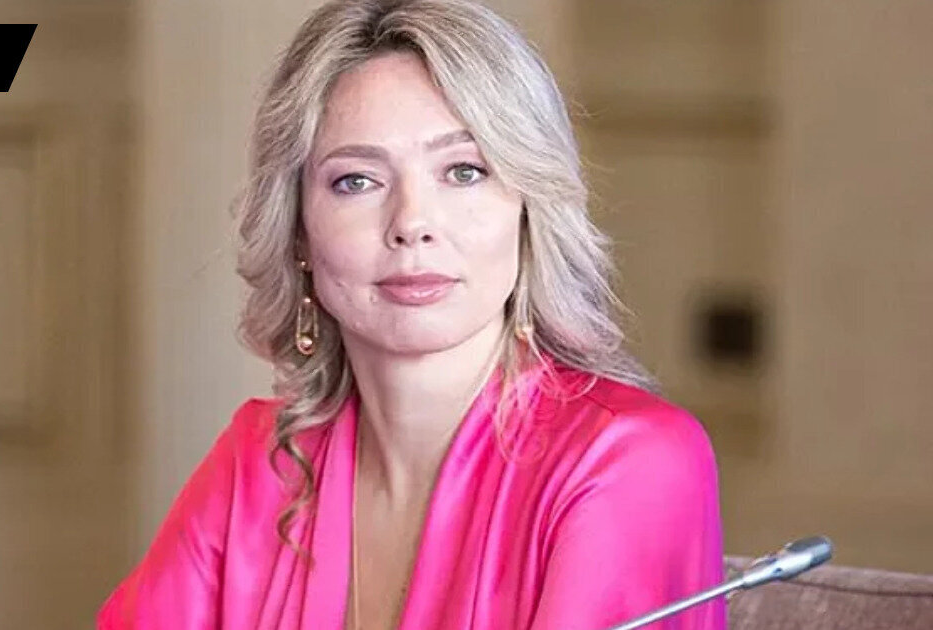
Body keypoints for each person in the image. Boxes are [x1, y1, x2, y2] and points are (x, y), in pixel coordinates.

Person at [98, 0, 725, 628]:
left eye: (464, 171)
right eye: (357, 181)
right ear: (297, 230)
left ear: (529, 211)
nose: (412, 223)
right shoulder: (263, 462)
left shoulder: (630, 460)